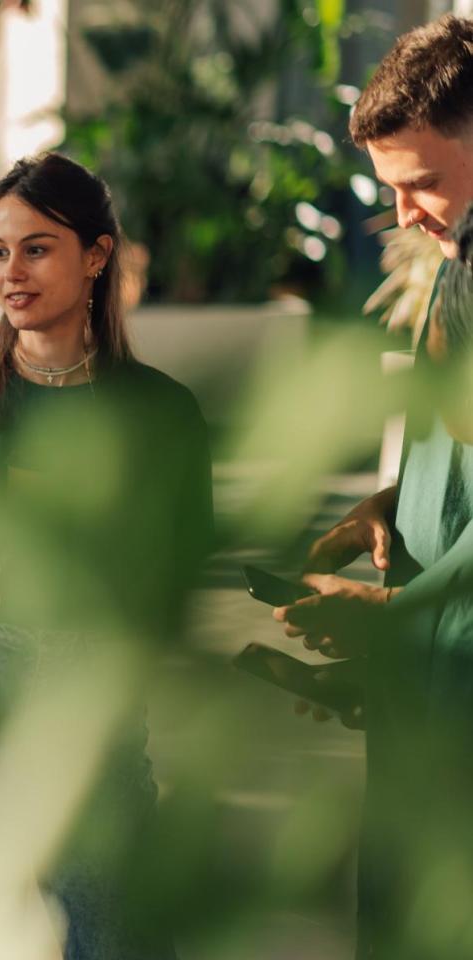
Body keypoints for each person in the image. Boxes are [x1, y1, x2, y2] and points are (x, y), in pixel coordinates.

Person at [0, 152, 212, 960]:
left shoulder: (162, 414)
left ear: (97, 256)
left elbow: (177, 598)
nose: (10, 272)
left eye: (36, 248)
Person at [280, 21, 473, 952]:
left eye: (423, 184)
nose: (404, 216)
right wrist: (389, 505)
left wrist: (390, 614)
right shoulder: (454, 267)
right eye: (390, 190)